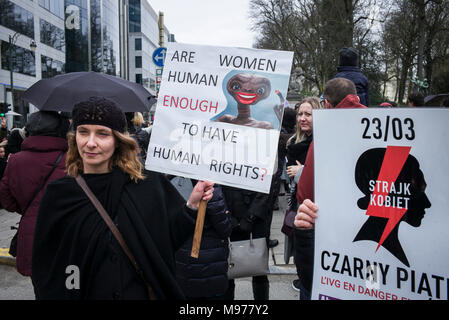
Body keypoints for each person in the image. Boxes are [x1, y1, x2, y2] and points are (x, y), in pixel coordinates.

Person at [31, 96, 214, 300]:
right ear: (74, 137)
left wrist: (191, 205)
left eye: (102, 134)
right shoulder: (60, 194)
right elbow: (47, 263)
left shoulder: (145, 183)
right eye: (83, 132)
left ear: (118, 140)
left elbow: (167, 239)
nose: (90, 143)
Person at [293, 78, 367, 300]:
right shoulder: (373, 122)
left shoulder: (329, 129)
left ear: (326, 104)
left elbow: (305, 193)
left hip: (331, 234)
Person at [0, 111, 70, 276]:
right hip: (66, 235)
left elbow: (5, 198)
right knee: (69, 284)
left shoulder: (15, 160)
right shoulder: (72, 159)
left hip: (31, 236)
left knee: (40, 286)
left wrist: (28, 209)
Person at [353, 148, 431, 267]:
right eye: (416, 191)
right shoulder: (369, 247)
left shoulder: (384, 244)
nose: (427, 203)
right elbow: (371, 281)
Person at [282, 97, 322, 292]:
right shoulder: (293, 142)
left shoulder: (323, 144)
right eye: (300, 114)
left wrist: (302, 173)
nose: (302, 118)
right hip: (295, 205)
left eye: (308, 114)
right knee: (299, 254)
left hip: (314, 213)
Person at [175, 183, 232, 300]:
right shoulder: (210, 187)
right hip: (211, 267)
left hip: (182, 263)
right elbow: (225, 229)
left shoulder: (172, 180)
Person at [221, 186, 271, 300]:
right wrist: (226, 215)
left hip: (257, 219)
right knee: (227, 269)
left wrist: (250, 217)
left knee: (259, 270)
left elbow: (268, 186)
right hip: (227, 214)